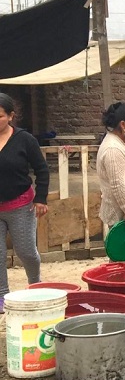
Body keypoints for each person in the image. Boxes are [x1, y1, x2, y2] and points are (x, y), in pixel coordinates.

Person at [0, 93, 49, 313]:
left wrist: (41, 198)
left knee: (26, 251)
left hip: (20, 205)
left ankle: (35, 284)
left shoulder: (24, 139)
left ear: (10, 116)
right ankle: (2, 295)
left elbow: (41, 169)